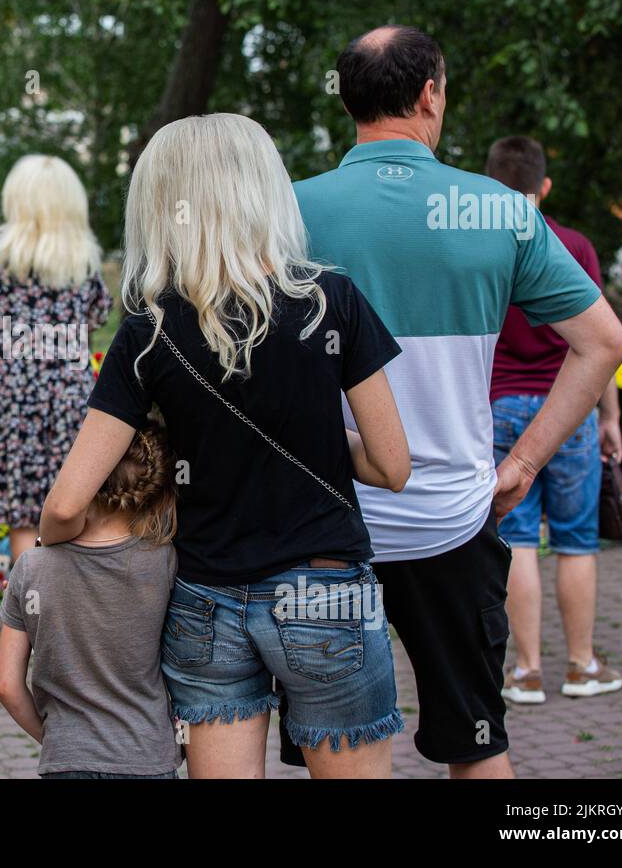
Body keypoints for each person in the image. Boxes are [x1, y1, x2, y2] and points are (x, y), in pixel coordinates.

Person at [293, 26, 622, 777]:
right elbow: (604, 343)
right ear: (431, 94)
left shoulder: (286, 211)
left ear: (347, 100)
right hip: (454, 518)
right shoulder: (499, 211)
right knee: (478, 744)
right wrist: (526, 462)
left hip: (325, 524)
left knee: (340, 752)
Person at [41, 113, 411, 778]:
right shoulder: (332, 301)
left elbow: (67, 504)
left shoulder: (148, 331)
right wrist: (322, 438)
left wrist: (52, 551)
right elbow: (392, 466)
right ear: (264, 188)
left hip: (206, 601)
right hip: (323, 592)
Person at [486, 136, 622, 703]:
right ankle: (581, 664)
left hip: (499, 408)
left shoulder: (480, 247)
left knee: (516, 539)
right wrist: (609, 417)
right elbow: (600, 340)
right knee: (575, 541)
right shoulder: (574, 245)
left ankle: (526, 671)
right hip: (568, 410)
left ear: (490, 185)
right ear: (545, 187)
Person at [0, 422, 182, 779]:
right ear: (156, 489)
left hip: (66, 759)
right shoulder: (165, 561)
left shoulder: (30, 566)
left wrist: (54, 741)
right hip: (145, 754)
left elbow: (7, 686)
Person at [0, 155, 112, 562]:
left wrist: (0, 359)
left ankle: (27, 610)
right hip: (68, 395)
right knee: (70, 497)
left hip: (8, 392)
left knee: (20, 508)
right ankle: (68, 601)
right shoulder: (84, 258)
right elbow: (94, 320)